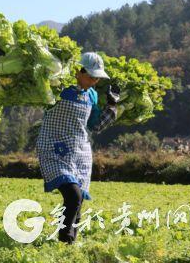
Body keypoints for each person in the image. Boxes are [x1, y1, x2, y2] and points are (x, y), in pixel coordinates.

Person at [36, 52, 120, 244]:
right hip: (54, 147)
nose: (94, 81)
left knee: (79, 198)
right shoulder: (59, 88)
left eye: (97, 77)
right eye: (91, 76)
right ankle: (64, 238)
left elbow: (96, 125)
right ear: (77, 71)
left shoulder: (91, 95)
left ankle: (70, 243)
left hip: (80, 152)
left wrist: (112, 105)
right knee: (73, 195)